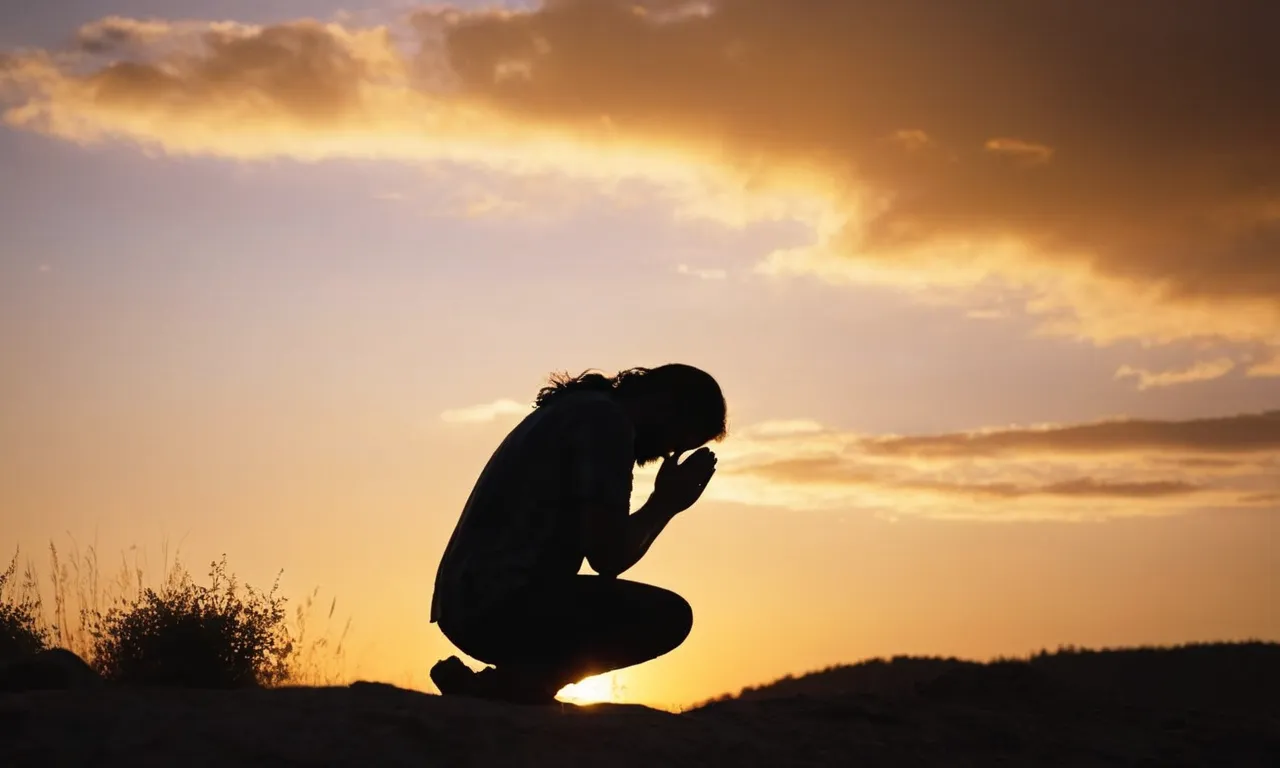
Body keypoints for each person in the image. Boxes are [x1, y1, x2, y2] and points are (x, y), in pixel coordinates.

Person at [429, 364, 726, 704]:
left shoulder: (581, 410)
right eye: (676, 439)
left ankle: (511, 684)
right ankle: (511, 688)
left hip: (469, 602)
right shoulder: (604, 422)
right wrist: (664, 504)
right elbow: (608, 557)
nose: (667, 453)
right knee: (669, 616)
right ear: (665, 405)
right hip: (499, 603)